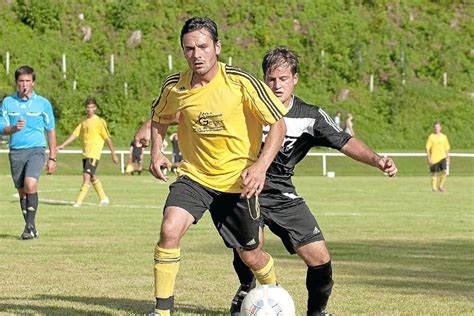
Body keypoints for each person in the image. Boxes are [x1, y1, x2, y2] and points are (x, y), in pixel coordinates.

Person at [228, 47, 398, 316]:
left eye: (283, 79)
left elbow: (344, 140)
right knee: (250, 249)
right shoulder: (245, 107)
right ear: (264, 80)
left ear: (295, 78)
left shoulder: (310, 115)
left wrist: (377, 160)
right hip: (245, 191)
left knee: (320, 258)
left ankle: (316, 313)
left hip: (283, 194)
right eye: (271, 79)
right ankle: (245, 289)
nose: (277, 85)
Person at [136, 17, 288, 316]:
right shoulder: (175, 86)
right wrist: (156, 153)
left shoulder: (241, 82)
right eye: (189, 49)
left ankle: (274, 294)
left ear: (217, 47)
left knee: (251, 254)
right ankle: (162, 311)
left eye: (203, 46)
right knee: (169, 229)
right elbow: (160, 117)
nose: (197, 54)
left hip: (238, 182)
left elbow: (278, 125)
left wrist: (259, 167)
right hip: (194, 177)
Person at [0, 65, 57, 239]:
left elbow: (51, 130)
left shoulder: (43, 103)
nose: (24, 84)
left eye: (27, 81)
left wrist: (53, 157)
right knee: (22, 191)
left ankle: (29, 227)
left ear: (33, 82)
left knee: (30, 184)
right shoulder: (8, 102)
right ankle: (31, 228)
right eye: (21, 81)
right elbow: (2, 128)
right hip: (16, 152)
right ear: (16, 83)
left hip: (36, 149)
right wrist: (14, 128)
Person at [57, 97, 118, 207]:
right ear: (85, 108)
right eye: (88, 107)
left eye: (91, 107)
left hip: (93, 153)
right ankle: (104, 198)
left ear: (95, 108)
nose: (89, 109)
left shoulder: (99, 122)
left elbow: (107, 138)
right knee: (92, 176)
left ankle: (78, 201)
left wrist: (113, 154)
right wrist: (62, 145)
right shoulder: (83, 121)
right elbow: (75, 134)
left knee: (86, 176)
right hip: (85, 153)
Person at [426, 121, 450, 192]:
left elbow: (447, 148)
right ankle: (434, 187)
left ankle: (440, 186)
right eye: (435, 127)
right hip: (434, 158)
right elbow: (427, 148)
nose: (437, 129)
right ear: (434, 128)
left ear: (440, 128)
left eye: (438, 127)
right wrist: (429, 158)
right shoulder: (431, 137)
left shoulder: (444, 137)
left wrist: (448, 157)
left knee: (445, 171)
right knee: (435, 173)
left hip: (442, 157)